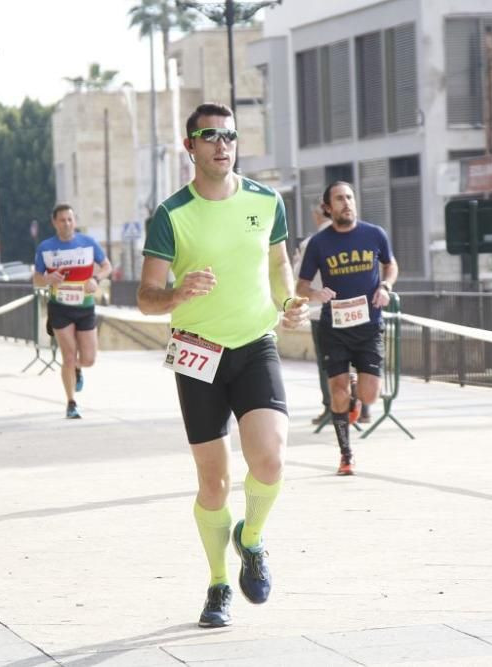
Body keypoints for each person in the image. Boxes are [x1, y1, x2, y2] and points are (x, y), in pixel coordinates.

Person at [137, 102, 309, 629]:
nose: (221, 144)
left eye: (229, 135)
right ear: (190, 146)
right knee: (214, 484)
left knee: (271, 460)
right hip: (198, 353)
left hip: (255, 344)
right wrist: (176, 294)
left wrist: (289, 305)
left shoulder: (266, 201)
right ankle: (217, 584)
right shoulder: (171, 214)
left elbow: (279, 265)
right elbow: (145, 297)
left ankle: (250, 539)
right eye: (209, 136)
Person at [296, 181, 399, 476]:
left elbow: (390, 265)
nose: (346, 203)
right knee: (337, 393)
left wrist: (386, 285)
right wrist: (315, 295)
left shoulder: (374, 234)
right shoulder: (319, 243)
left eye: (349, 197)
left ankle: (356, 392)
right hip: (335, 328)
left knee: (369, 397)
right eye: (339, 199)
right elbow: (301, 286)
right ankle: (346, 454)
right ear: (328, 208)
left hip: (368, 326)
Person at [33, 204, 112, 419]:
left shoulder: (88, 243)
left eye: (70, 219)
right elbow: (36, 280)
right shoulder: (45, 248)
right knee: (68, 357)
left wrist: (95, 279)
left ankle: (77, 369)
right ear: (54, 223)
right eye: (62, 220)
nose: (66, 224)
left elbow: (107, 266)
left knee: (88, 359)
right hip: (60, 308)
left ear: (74, 221)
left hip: (85, 307)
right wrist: (47, 279)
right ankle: (71, 403)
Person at [293, 201, 334, 425]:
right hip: (351, 309)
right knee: (353, 358)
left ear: (318, 216)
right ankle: (362, 407)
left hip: (321, 312)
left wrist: (296, 261)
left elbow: (298, 278)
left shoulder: (311, 243)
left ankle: (331, 406)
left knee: (325, 361)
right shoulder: (352, 236)